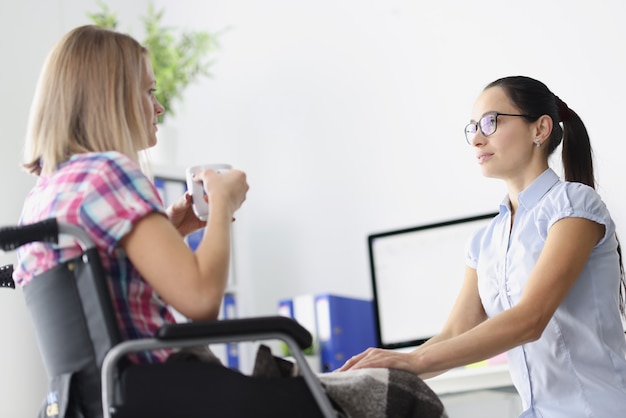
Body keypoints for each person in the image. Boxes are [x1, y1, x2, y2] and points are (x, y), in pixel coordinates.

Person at [340, 76, 626, 417]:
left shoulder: (574, 205)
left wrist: (414, 360)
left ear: (540, 129)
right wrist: (377, 371)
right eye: (472, 127)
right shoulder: (485, 241)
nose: (476, 139)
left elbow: (529, 319)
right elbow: (455, 333)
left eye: (490, 122)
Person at [13, 25, 249, 364]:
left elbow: (102, 282)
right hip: (161, 391)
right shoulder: (109, 173)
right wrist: (222, 203)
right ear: (113, 98)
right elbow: (202, 299)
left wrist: (171, 230)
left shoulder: (42, 196)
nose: (159, 108)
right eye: (150, 91)